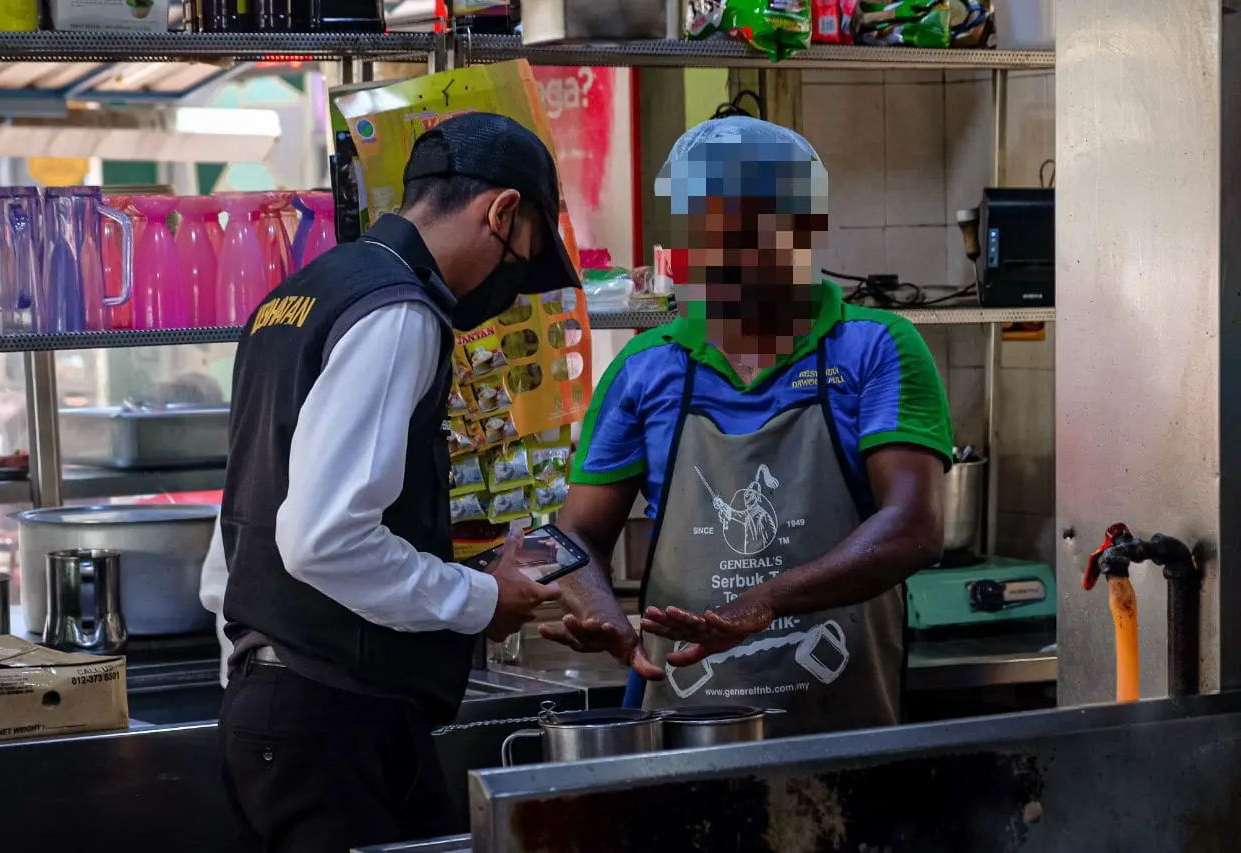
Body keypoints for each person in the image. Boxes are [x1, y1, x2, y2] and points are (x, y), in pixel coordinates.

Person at [217, 112, 577, 852]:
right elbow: (323, 539)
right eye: (525, 259)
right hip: (330, 717)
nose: (511, 286)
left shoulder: (301, 295)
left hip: (283, 704)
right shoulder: (398, 311)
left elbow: (245, 521)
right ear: (501, 212)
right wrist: (483, 598)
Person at [541, 116, 952, 737]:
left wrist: (764, 600)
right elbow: (574, 533)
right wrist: (597, 607)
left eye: (752, 229)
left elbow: (914, 527)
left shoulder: (876, 348)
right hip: (687, 721)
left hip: (844, 727)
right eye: (710, 230)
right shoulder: (646, 367)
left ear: (805, 229)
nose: (728, 254)